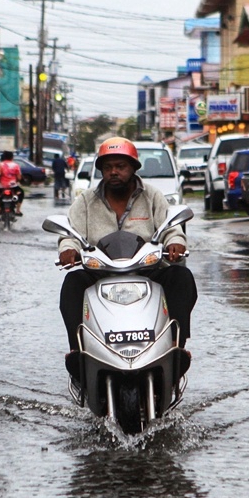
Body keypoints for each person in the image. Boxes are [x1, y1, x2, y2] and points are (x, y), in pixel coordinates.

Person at [57, 137, 196, 382]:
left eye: (120, 166)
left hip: (147, 270)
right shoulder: (86, 201)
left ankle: (176, 344)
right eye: (108, 167)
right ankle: (77, 350)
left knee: (181, 277)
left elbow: (171, 228)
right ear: (101, 170)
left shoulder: (153, 196)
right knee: (71, 284)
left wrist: (176, 242)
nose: (114, 172)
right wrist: (68, 249)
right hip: (100, 272)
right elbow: (71, 233)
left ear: (133, 167)